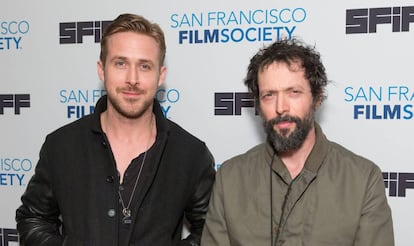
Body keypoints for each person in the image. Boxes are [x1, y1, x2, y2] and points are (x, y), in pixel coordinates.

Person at [16, 13, 216, 246]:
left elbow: (211, 230)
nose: (132, 79)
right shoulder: (61, 145)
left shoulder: (190, 154)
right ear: (102, 70)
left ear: (160, 75)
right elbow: (33, 217)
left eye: (144, 66)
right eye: (120, 63)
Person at [201, 38, 394, 246]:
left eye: (294, 92)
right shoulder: (230, 178)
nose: (281, 107)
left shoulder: (363, 180)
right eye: (269, 95)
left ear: (317, 97)